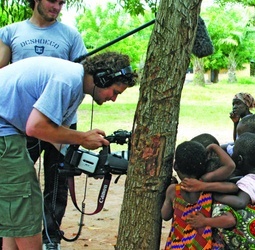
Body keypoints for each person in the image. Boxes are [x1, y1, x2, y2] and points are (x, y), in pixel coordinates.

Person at [0, 52, 136, 250]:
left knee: (16, 204)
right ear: (103, 78)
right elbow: (35, 128)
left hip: (7, 129)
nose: (114, 99)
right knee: (25, 203)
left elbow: (58, 139)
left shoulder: (75, 86)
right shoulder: (67, 81)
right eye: (115, 92)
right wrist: (82, 137)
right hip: (5, 131)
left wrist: (94, 162)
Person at [0, 1, 88, 248]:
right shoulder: (11, 31)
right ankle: (14, 234)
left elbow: (83, 75)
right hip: (19, 122)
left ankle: (51, 237)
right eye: (52, 0)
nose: (57, 7)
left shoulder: (70, 35)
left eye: (62, 2)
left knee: (56, 180)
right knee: (18, 184)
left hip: (58, 119)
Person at [183, 132, 255, 249]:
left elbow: (240, 202)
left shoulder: (248, 182)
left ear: (239, 160)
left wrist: (211, 195)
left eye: (233, 152)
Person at [161, 140, 235, 249]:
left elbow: (165, 215)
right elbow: (230, 166)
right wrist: (214, 146)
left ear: (175, 166)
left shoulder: (173, 190)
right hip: (206, 246)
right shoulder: (206, 184)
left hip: (178, 246)